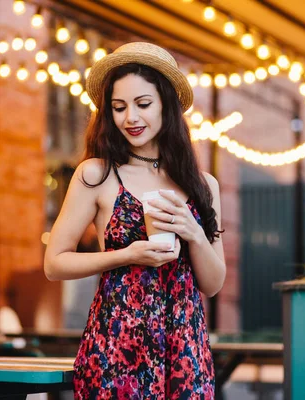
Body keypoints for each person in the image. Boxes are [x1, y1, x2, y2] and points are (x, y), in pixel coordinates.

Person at [44, 42, 226, 399]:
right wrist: (127, 255)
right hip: (117, 346)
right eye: (119, 107)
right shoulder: (96, 174)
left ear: (166, 106)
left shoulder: (204, 185)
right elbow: (54, 263)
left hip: (185, 350)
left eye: (143, 104)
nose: (131, 118)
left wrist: (194, 234)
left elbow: (213, 283)